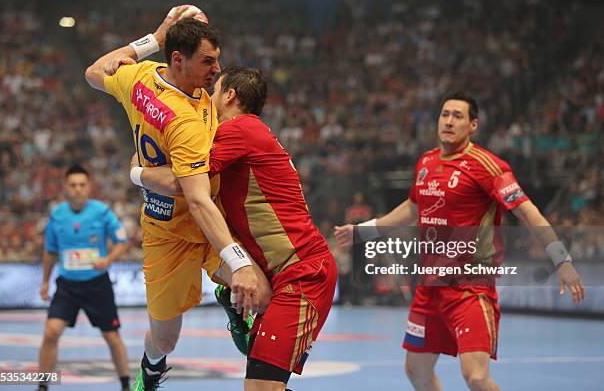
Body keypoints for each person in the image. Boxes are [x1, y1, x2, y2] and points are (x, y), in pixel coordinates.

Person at [334, 92, 585, 391]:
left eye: (458, 116)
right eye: (445, 114)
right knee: (416, 371)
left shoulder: (489, 167)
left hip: (471, 287)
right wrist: (364, 230)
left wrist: (561, 259)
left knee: (476, 377)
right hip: (430, 288)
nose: (449, 121)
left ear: (473, 125)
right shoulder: (426, 161)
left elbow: (528, 213)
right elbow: (412, 208)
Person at [85, 7, 270, 390]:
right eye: (207, 61)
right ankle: (151, 369)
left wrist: (152, 39)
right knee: (166, 338)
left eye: (217, 60)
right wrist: (238, 263)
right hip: (169, 232)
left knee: (263, 291)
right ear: (178, 59)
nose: (217, 69)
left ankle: (231, 300)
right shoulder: (183, 122)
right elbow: (185, 190)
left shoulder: (141, 75)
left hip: (213, 221)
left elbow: (93, 72)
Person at [131, 66, 338, 391]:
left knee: (259, 387)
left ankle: (235, 299)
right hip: (282, 273)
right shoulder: (250, 132)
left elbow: (182, 182)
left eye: (214, 91)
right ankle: (233, 299)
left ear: (229, 95)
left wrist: (137, 171)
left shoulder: (238, 130)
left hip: (302, 275)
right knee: (263, 385)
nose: (207, 97)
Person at [37, 165, 130, 391]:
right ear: (65, 188)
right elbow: (50, 251)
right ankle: (42, 386)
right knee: (51, 332)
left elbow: (122, 242)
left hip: (97, 285)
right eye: (73, 185)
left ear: (89, 187)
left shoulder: (102, 212)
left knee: (112, 336)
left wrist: (107, 260)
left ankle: (126, 384)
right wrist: (45, 280)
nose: (77, 189)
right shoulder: (57, 215)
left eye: (82, 185)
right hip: (67, 286)